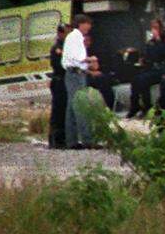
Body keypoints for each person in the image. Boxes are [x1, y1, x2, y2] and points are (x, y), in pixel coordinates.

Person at [61, 14, 98, 149]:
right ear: (81, 24)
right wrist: (91, 59)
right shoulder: (75, 37)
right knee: (80, 106)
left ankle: (72, 141)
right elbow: (78, 58)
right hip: (75, 75)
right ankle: (87, 140)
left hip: (75, 74)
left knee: (72, 108)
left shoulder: (74, 37)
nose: (89, 27)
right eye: (88, 24)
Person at [128, 19, 165, 118]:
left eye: (156, 28)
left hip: (161, 69)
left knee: (143, 80)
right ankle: (135, 105)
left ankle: (146, 107)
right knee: (136, 80)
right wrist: (142, 59)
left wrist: (158, 41)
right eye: (152, 28)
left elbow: (162, 55)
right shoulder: (150, 43)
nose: (154, 30)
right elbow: (146, 55)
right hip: (150, 69)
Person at [84, 32, 116, 110]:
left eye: (89, 40)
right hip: (81, 75)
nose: (87, 43)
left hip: (91, 74)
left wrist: (93, 64)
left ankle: (109, 106)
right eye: (85, 41)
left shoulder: (91, 51)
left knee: (104, 79)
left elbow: (95, 66)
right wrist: (91, 72)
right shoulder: (77, 53)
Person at [47, 24, 67, 149]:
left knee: (63, 111)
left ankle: (61, 138)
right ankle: (55, 140)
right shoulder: (57, 48)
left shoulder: (65, 46)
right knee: (58, 111)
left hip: (63, 81)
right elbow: (59, 66)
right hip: (59, 81)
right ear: (60, 33)